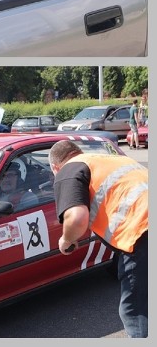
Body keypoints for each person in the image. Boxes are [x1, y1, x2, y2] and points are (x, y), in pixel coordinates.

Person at [48, 140, 148, 338]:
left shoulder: (68, 170)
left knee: (136, 312)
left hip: (141, 232)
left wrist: (67, 239)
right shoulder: (113, 160)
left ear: (55, 167)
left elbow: (76, 217)